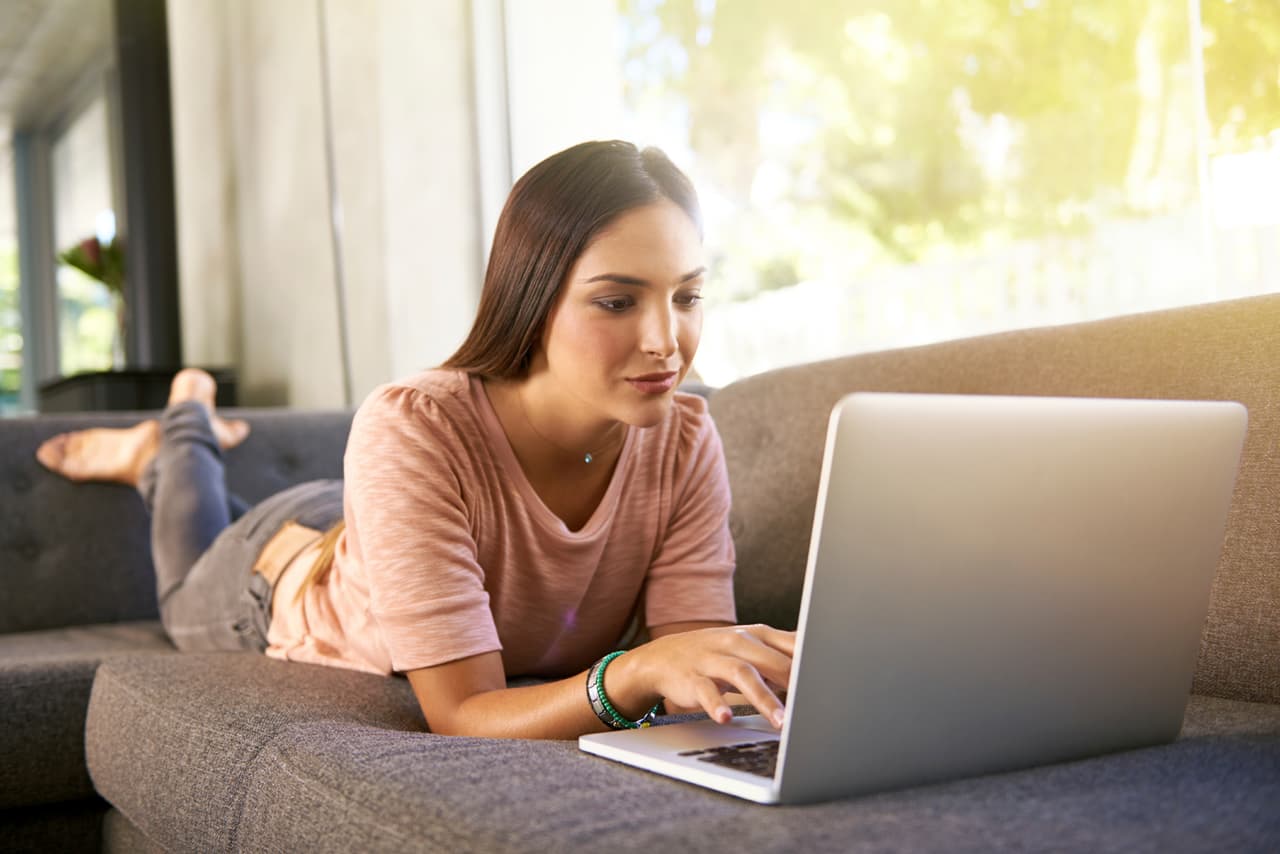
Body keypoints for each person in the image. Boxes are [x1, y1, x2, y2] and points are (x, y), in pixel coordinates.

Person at [36, 140, 795, 739]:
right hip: (275, 574)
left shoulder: (684, 436)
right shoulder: (411, 426)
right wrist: (630, 674)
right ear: (532, 299)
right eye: (617, 300)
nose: (667, 340)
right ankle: (176, 434)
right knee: (184, 567)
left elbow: (699, 664)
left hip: (374, 525)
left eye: (688, 296)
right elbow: (464, 713)